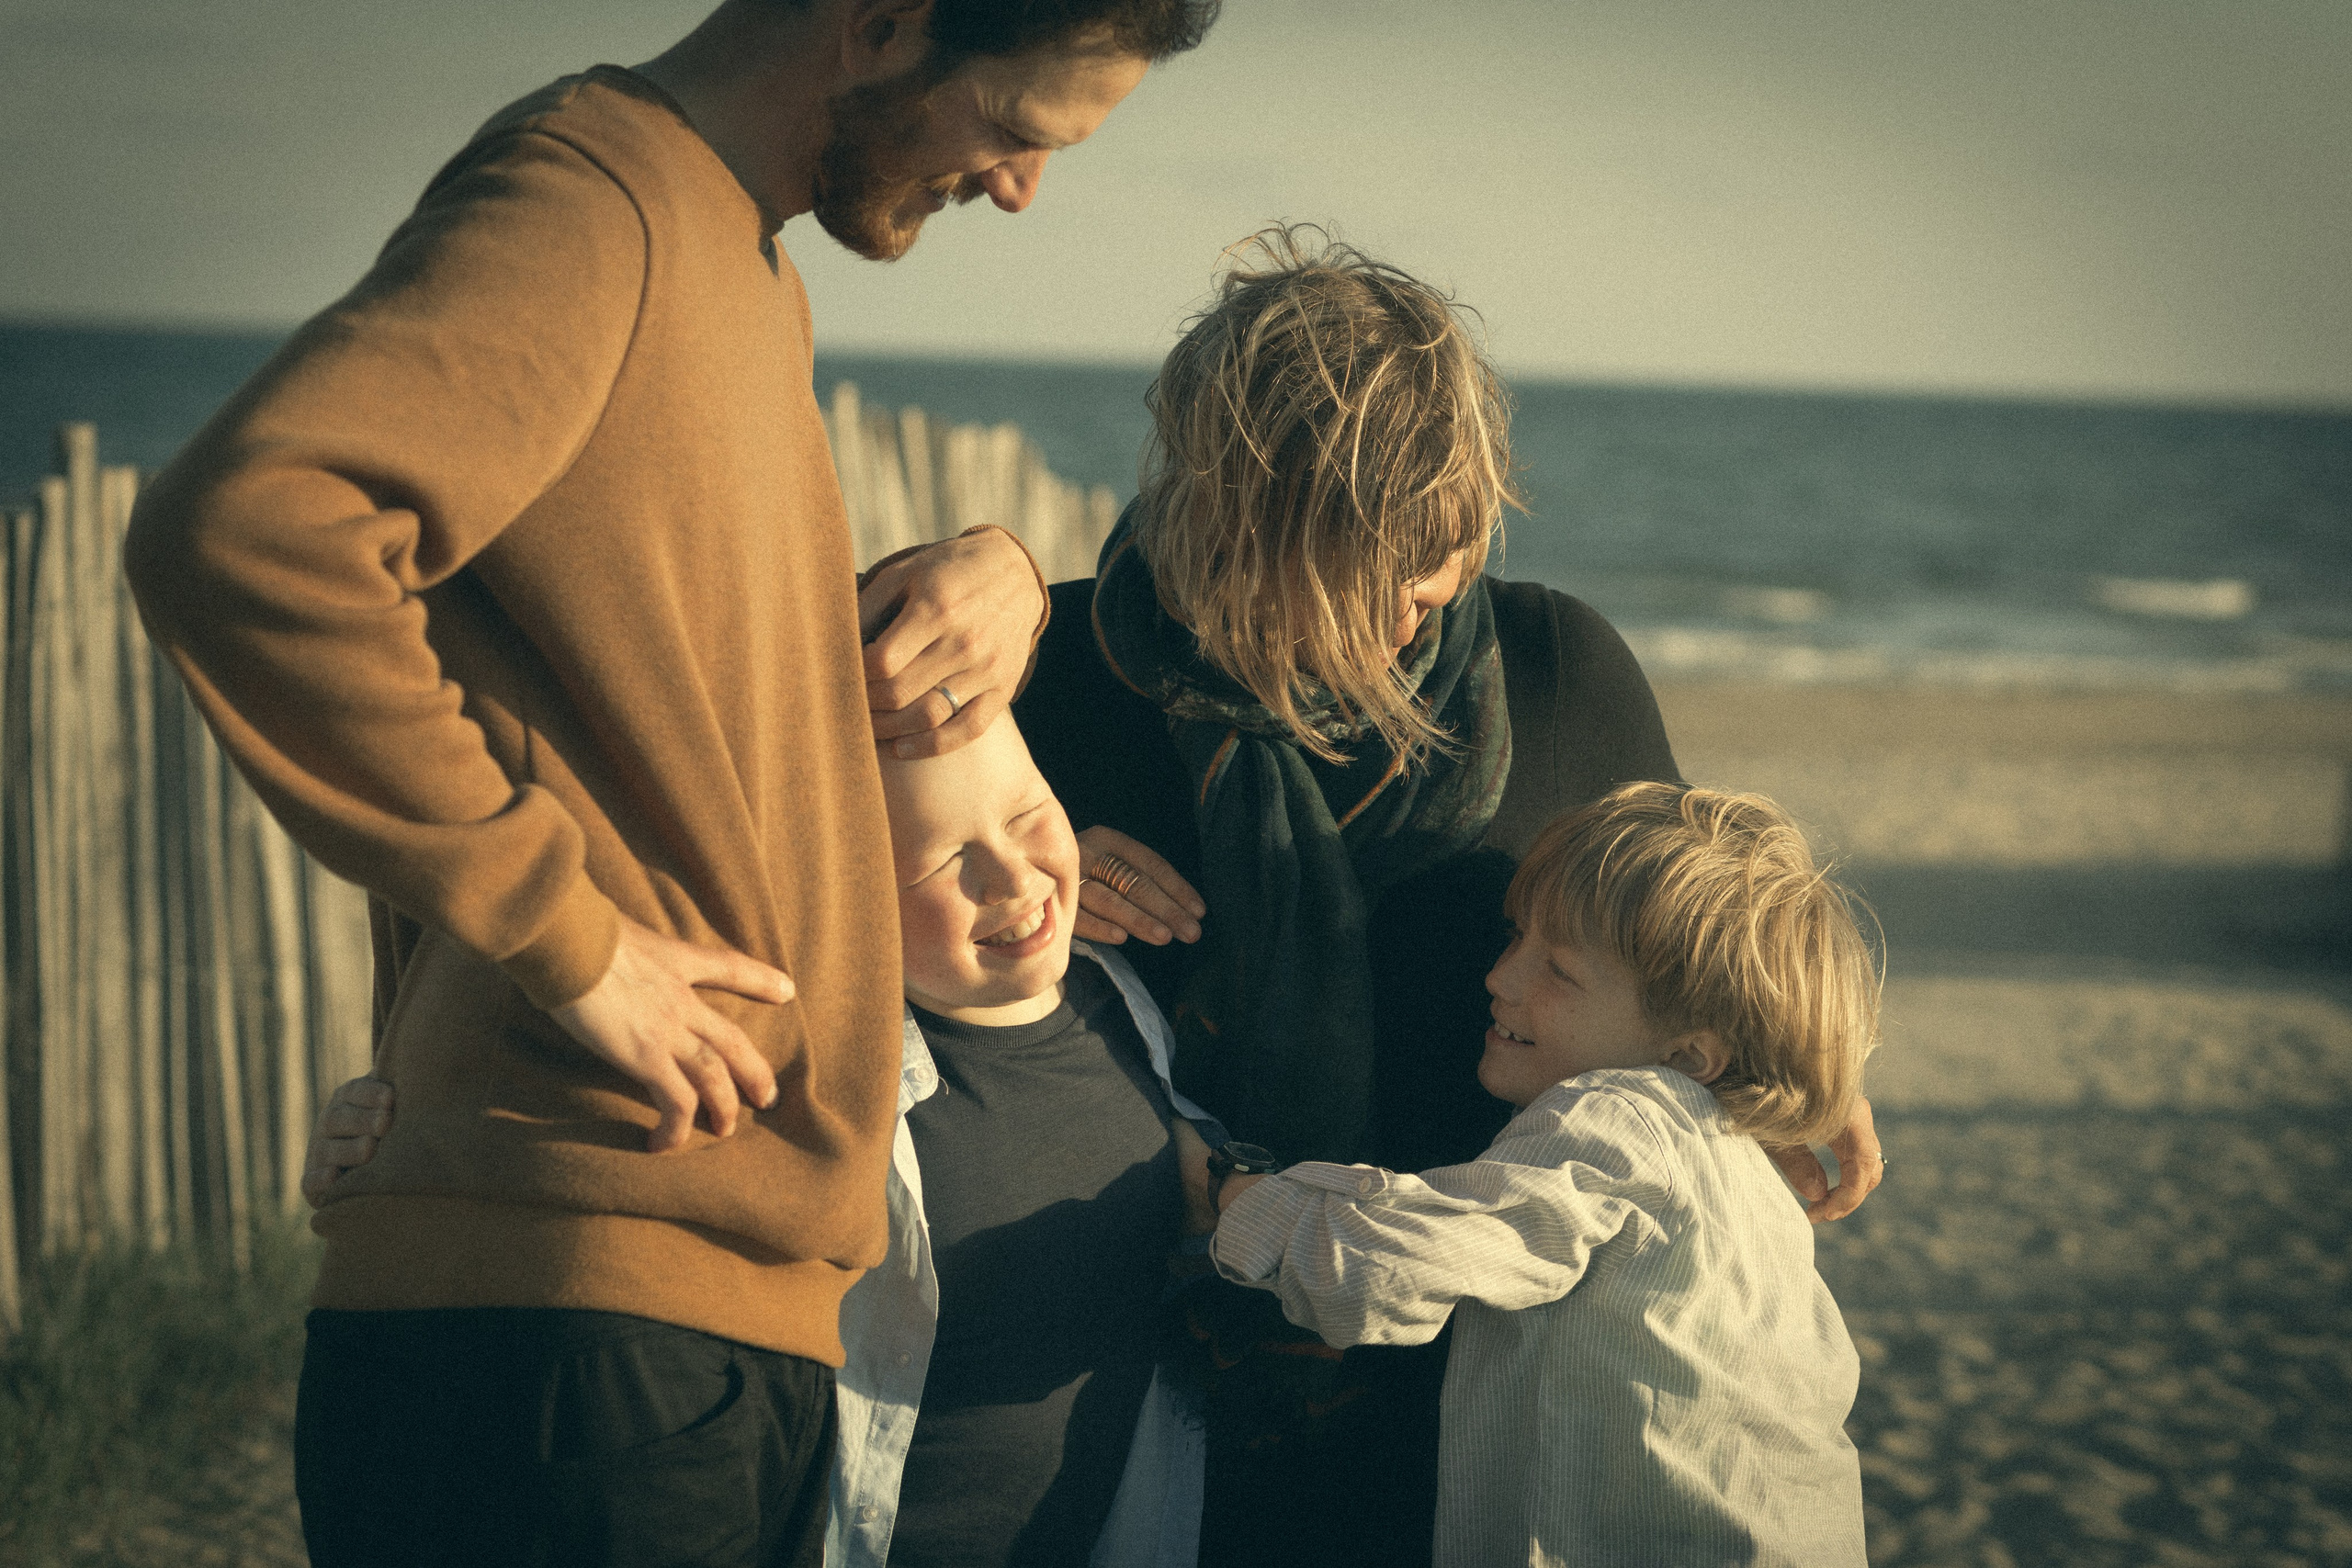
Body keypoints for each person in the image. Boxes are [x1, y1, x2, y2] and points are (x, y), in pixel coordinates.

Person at [123, 2, 1217, 1563]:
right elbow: (247, 534)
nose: (1024, 187)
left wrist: (1002, 579)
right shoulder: (602, 202)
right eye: (1023, 126)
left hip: (668, 1319)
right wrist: (569, 943)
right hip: (581, 1318)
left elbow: (682, 707)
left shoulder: (736, 259)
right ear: (882, 23)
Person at [1007, 228, 1886, 1565]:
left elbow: (1689, 934)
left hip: (1480, 1409)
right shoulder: (1054, 678)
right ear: (1229, 529)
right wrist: (999, 863)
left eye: (1451, 551)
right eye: (1369, 581)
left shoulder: (1559, 668)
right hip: (1114, 1380)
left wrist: (1797, 1065)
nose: (1426, 605)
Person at [305, 711, 1218, 1567]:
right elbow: (559, 1129)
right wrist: (392, 1135)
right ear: (843, 909)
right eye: (942, 864)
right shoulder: (804, 1064)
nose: (1013, 879)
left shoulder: (1126, 1006)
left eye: (1029, 817)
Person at [1205, 782, 1877, 1568]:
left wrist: (1232, 1195)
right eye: (1517, 936)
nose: (1500, 977)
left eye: (1558, 969)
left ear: (1688, 1053)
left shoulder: (1620, 1119)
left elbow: (1384, 1265)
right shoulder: (1747, 1175)